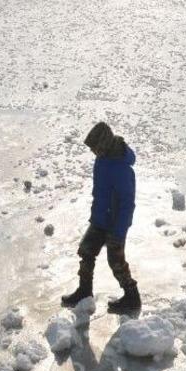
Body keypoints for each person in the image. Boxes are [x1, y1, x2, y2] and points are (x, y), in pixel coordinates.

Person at [61, 122, 141, 314]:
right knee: (86, 251)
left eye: (94, 148)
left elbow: (127, 204)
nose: (93, 152)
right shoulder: (102, 159)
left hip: (115, 224)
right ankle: (84, 292)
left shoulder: (121, 168)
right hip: (99, 219)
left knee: (116, 262)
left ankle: (132, 297)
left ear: (103, 144)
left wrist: (119, 231)